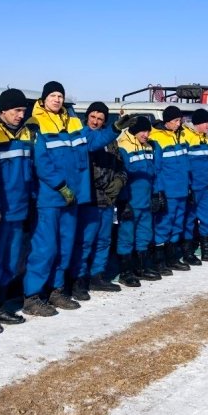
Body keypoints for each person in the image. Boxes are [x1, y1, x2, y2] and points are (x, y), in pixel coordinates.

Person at [25, 82, 131, 315]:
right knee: (45, 248)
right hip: (51, 198)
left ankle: (56, 290)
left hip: (73, 198)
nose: (57, 99)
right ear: (43, 99)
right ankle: (32, 296)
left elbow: (92, 141)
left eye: (60, 96)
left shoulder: (73, 121)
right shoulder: (36, 122)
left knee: (65, 247)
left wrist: (115, 129)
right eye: (52, 95)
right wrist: (60, 186)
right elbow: (41, 161)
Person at [0, 88, 34, 325]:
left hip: (19, 208)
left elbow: (28, 170)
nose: (21, 115)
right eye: (16, 110)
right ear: (2, 111)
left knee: (11, 261)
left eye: (23, 111)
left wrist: (31, 199)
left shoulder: (25, 133)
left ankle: (0, 306)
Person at [72, 102, 128, 300]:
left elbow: (120, 166)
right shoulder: (82, 137)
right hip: (90, 197)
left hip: (108, 198)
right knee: (85, 241)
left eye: (100, 119)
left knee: (104, 240)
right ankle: (79, 279)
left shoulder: (111, 142)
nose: (95, 122)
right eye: (93, 117)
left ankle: (97, 275)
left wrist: (119, 181)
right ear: (86, 117)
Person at [116, 116, 159, 281]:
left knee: (144, 234)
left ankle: (141, 267)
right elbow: (121, 176)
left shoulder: (148, 147)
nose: (146, 135)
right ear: (134, 131)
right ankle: (125, 272)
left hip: (145, 201)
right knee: (126, 236)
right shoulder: (123, 147)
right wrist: (124, 201)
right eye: (143, 131)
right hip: (131, 202)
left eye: (148, 131)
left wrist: (156, 194)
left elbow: (153, 173)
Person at [150, 105, 192, 274]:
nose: (178, 123)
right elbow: (157, 169)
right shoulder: (157, 138)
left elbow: (186, 164)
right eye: (175, 120)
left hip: (182, 190)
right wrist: (159, 191)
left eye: (179, 120)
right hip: (168, 192)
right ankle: (159, 261)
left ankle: (172, 258)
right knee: (163, 225)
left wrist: (189, 186)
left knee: (177, 224)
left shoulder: (181, 135)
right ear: (167, 121)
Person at [181, 108, 208, 263]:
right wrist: (188, 186)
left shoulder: (206, 138)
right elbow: (183, 165)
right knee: (189, 220)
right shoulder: (186, 137)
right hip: (192, 188)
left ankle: (207, 251)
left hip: (204, 187)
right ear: (198, 123)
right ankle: (187, 253)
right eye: (206, 122)